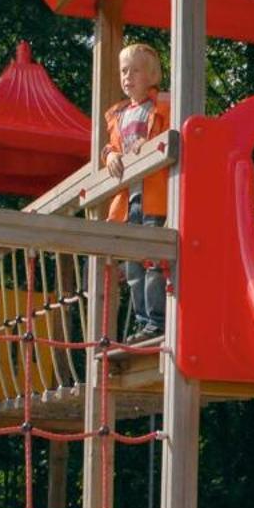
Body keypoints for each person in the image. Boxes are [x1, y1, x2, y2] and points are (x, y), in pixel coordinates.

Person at [102, 42, 171, 341]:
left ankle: (156, 320)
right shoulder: (119, 115)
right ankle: (143, 319)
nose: (127, 76)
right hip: (131, 199)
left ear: (152, 75)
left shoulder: (162, 106)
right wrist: (111, 157)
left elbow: (176, 133)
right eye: (123, 71)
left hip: (156, 195)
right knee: (133, 265)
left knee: (153, 260)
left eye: (135, 70)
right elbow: (111, 147)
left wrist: (153, 145)